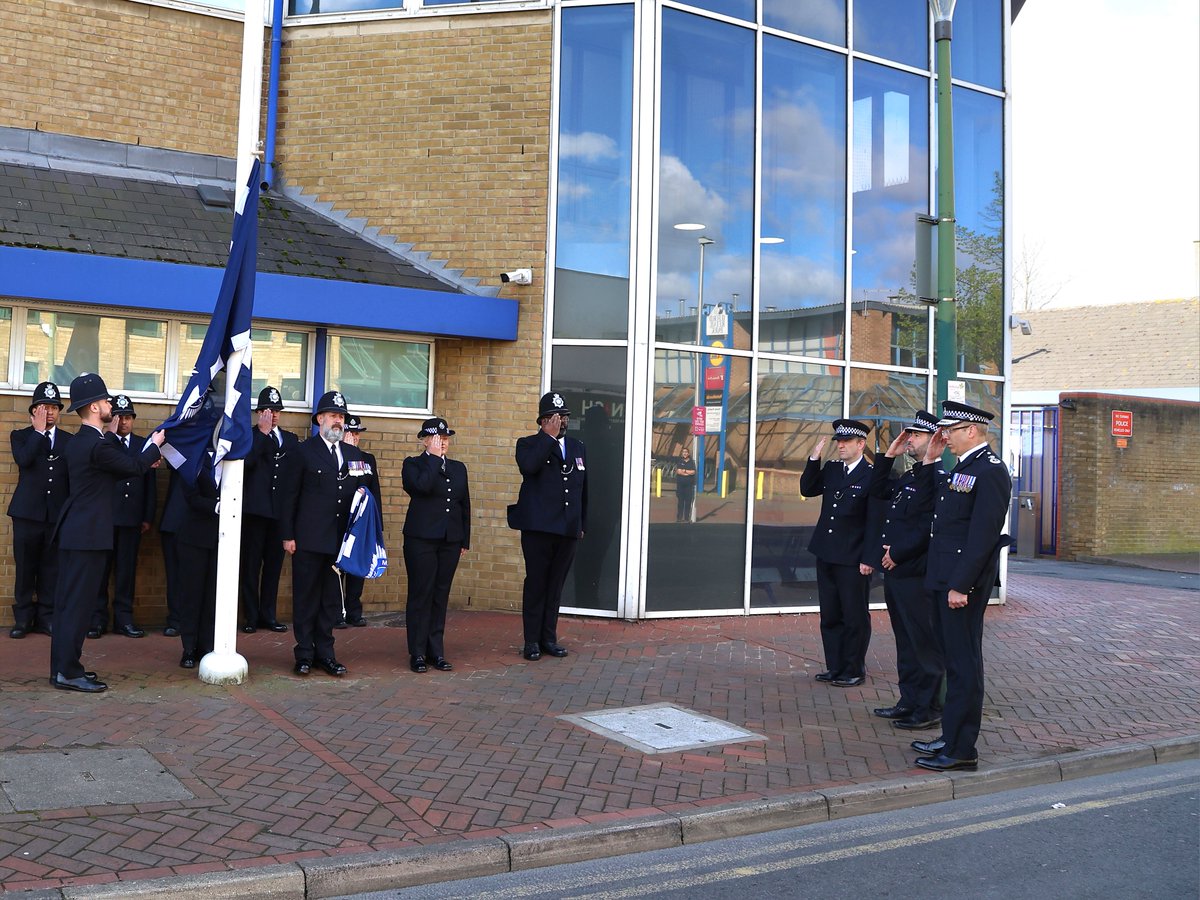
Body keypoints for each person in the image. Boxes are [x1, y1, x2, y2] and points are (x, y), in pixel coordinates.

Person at [910, 400, 1012, 772]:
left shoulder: (990, 471)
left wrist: (961, 585)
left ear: (971, 430)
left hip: (960, 586)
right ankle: (950, 736)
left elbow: (982, 537)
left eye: (950, 431)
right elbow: (932, 509)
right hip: (944, 579)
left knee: (964, 664)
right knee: (953, 661)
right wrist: (930, 460)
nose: (945, 436)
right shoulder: (962, 468)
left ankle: (962, 748)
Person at [49, 373, 164, 693]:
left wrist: (121, 441)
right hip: (87, 536)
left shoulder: (86, 442)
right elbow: (132, 467)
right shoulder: (94, 445)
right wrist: (154, 446)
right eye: (107, 401)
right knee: (78, 605)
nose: (111, 404)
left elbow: (115, 461)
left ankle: (62, 668)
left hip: (78, 532)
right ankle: (68, 671)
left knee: (69, 604)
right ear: (95, 407)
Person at [866, 411, 943, 731]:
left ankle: (927, 708)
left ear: (935, 440)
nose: (909, 439)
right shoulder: (910, 476)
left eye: (916, 436)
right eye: (908, 435)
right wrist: (888, 455)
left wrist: (897, 553)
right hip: (897, 571)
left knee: (923, 642)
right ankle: (908, 700)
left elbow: (928, 527)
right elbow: (877, 489)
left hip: (915, 572)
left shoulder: (939, 479)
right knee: (906, 641)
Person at [279, 390, 363, 677]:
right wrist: (287, 534)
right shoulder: (303, 452)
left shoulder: (353, 455)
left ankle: (325, 654)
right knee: (305, 598)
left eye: (341, 417)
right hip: (308, 539)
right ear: (320, 420)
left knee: (330, 601)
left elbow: (363, 498)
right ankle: (304, 654)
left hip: (338, 542)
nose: (338, 422)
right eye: (333, 416)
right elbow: (288, 496)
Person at [509, 390, 587, 661]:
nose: (562, 422)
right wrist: (548, 438)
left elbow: (582, 490)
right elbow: (529, 468)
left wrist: (581, 523)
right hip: (538, 529)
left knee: (555, 587)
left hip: (567, 530)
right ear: (543, 420)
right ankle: (531, 641)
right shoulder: (528, 444)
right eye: (556, 417)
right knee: (537, 584)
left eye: (564, 417)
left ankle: (548, 639)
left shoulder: (577, 447)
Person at [800, 418, 875, 687]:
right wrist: (813, 458)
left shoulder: (871, 474)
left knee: (854, 615)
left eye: (845, 442)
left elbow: (875, 522)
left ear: (860, 444)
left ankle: (854, 668)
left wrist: (869, 557)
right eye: (838, 442)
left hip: (853, 557)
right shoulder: (832, 469)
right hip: (827, 552)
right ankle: (835, 666)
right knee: (830, 614)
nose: (840, 446)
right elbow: (807, 489)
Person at [401, 417, 469, 672]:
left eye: (446, 438)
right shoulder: (413, 465)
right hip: (421, 540)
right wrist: (431, 457)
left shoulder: (459, 468)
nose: (444, 443)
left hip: (450, 540)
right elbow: (422, 487)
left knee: (440, 596)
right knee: (421, 594)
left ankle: (435, 651)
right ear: (426, 440)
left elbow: (464, 505)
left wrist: (464, 539)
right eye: (438, 439)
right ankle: (417, 652)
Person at [7, 381, 72, 638]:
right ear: (34, 411)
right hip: (27, 514)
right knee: (25, 567)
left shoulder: (69, 440)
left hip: (55, 515)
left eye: (54, 407)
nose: (50, 412)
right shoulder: (21, 436)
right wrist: (37, 432)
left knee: (51, 568)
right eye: (44, 407)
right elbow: (23, 459)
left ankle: (47, 617)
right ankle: (23, 619)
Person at [89, 394, 156, 639]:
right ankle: (97, 620)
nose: (124, 422)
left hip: (131, 519)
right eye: (119, 417)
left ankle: (124, 619)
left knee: (126, 571)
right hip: (106, 518)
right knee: (101, 571)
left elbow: (150, 483)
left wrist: (147, 516)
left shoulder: (142, 444)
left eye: (128, 417)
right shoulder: (104, 444)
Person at [239, 386, 295, 634]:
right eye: (268, 410)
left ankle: (268, 615)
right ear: (259, 412)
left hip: (279, 514)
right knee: (250, 567)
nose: (272, 415)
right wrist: (262, 435)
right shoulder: (249, 436)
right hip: (254, 513)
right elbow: (246, 464)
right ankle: (251, 616)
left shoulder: (290, 440)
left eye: (276, 411)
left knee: (273, 567)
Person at [174, 450, 219, 669]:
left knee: (212, 596)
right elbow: (191, 497)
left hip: (221, 538)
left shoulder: (232, 457)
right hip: (194, 536)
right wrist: (216, 506)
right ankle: (189, 647)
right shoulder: (194, 459)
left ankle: (206, 646)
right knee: (192, 595)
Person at [338, 414, 381, 629]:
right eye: (349, 433)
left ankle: (354, 611)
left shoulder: (367, 459)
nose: (353, 437)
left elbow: (375, 492)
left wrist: (377, 525)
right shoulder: (335, 456)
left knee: (357, 569)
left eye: (356, 433)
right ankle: (337, 612)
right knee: (337, 568)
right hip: (339, 522)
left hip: (361, 523)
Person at [674, 446, 696, 523]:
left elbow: (693, 472)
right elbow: (679, 471)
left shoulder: (691, 462)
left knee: (688, 501)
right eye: (683, 452)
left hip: (689, 485)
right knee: (680, 501)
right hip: (680, 484)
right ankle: (679, 517)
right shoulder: (679, 461)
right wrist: (687, 472)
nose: (685, 453)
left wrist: (685, 471)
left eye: (686, 452)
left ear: (688, 453)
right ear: (682, 453)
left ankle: (686, 518)